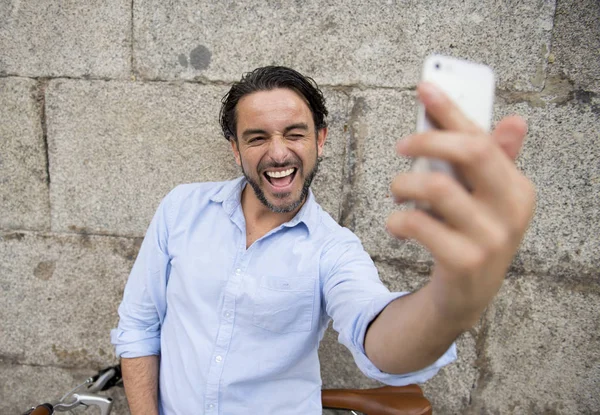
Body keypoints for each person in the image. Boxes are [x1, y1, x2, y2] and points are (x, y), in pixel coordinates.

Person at [111, 66, 535, 414]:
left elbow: (379, 339)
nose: (278, 153)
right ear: (236, 150)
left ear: (320, 140)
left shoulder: (334, 249)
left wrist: (451, 302)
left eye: (294, 133)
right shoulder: (180, 208)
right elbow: (139, 326)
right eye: (257, 137)